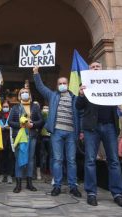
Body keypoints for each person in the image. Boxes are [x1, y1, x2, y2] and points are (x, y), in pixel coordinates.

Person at [76, 61, 122, 208]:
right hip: (91, 128)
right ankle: (91, 193)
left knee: (113, 160)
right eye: (92, 67)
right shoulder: (85, 84)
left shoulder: (112, 83)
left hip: (110, 126)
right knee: (90, 160)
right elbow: (78, 106)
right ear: (89, 70)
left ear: (102, 69)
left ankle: (118, 194)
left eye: (97, 66)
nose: (95, 68)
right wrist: (81, 95)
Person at [32, 66, 81, 197]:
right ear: (57, 85)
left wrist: (80, 131)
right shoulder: (53, 95)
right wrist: (36, 73)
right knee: (57, 159)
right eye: (60, 83)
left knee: (71, 160)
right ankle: (57, 186)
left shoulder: (75, 98)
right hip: (57, 132)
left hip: (71, 133)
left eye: (64, 83)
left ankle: (73, 186)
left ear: (68, 84)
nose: (62, 85)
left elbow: (80, 114)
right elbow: (41, 87)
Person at [8, 87, 44, 193]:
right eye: (22, 92)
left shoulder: (35, 107)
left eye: (26, 92)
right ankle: (18, 184)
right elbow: (10, 122)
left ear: (30, 95)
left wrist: (33, 124)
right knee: (19, 158)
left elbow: (41, 121)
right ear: (19, 96)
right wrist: (20, 125)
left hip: (31, 135)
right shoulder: (15, 108)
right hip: (19, 136)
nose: (24, 94)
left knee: (31, 158)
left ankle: (29, 183)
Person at [0, 100, 14, 184]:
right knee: (1, 157)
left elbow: (15, 124)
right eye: (4, 106)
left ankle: (9, 175)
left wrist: (9, 127)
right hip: (1, 138)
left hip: (10, 138)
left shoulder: (12, 114)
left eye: (7, 106)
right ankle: (1, 174)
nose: (5, 108)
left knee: (10, 157)